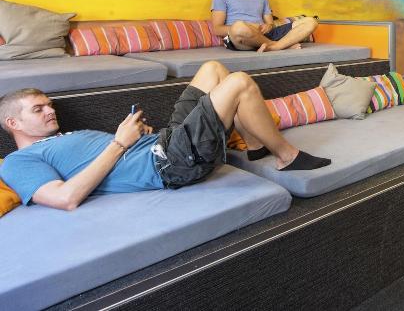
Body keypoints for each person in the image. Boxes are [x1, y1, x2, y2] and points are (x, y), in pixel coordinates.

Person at [0, 61, 331, 211]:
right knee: (239, 82)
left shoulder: (62, 137)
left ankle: (256, 145)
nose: (50, 111)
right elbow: (65, 199)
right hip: (169, 163)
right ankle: (286, 156)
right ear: (13, 123)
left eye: (49, 105)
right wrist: (120, 143)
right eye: (38, 109)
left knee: (214, 69)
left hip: (164, 142)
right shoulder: (19, 161)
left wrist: (136, 136)